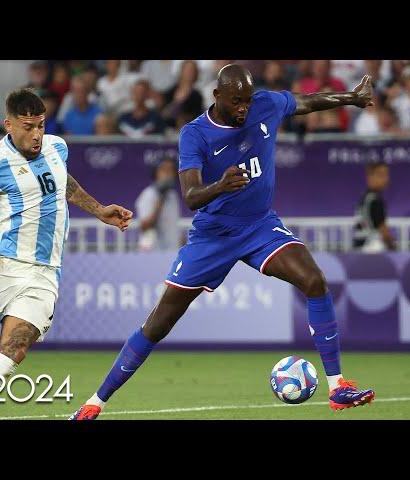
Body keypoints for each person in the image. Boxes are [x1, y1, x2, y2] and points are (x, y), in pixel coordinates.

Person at [70, 64, 376, 420]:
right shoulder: (195, 134)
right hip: (213, 235)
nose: (244, 108)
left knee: (314, 280)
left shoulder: (264, 104)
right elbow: (191, 196)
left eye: (247, 100)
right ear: (217, 96)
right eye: (236, 102)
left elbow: (305, 102)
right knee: (159, 323)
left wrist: (351, 98)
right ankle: (95, 402)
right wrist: (220, 186)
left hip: (259, 226)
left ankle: (338, 387)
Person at [0, 89, 132, 420]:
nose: (36, 135)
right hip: (1, 263)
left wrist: (99, 210)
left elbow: (63, 182)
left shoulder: (57, 147)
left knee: (14, 349)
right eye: (28, 127)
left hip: (44, 272)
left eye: (41, 126)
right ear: (8, 126)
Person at [135, 156, 182, 251]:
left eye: (171, 170)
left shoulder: (172, 195)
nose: (168, 173)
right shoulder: (148, 194)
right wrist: (158, 204)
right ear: (155, 173)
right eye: (164, 169)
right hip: (152, 253)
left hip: (172, 252)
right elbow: (144, 226)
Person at [353, 161, 395, 252]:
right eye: (380, 175)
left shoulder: (365, 198)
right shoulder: (374, 200)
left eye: (386, 175)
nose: (385, 179)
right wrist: (393, 248)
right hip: (372, 250)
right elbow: (384, 232)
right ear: (369, 177)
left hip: (359, 250)